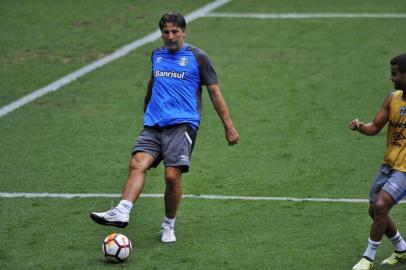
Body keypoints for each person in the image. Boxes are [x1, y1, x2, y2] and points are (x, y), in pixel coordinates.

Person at [90, 11, 239, 243]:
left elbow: (215, 92)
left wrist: (228, 127)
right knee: (137, 163)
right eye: (165, 32)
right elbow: (153, 82)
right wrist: (146, 109)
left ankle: (168, 225)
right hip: (154, 123)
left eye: (174, 32)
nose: (170, 37)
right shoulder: (156, 55)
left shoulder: (198, 57)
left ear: (183, 31)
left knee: (171, 176)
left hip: (182, 124)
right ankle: (123, 209)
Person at [350, 53, 406, 270]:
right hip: (389, 164)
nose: (391, 78)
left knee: (382, 205)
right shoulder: (393, 98)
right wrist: (360, 127)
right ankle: (401, 248)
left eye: (395, 74)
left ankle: (368, 258)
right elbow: (374, 127)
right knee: (375, 210)